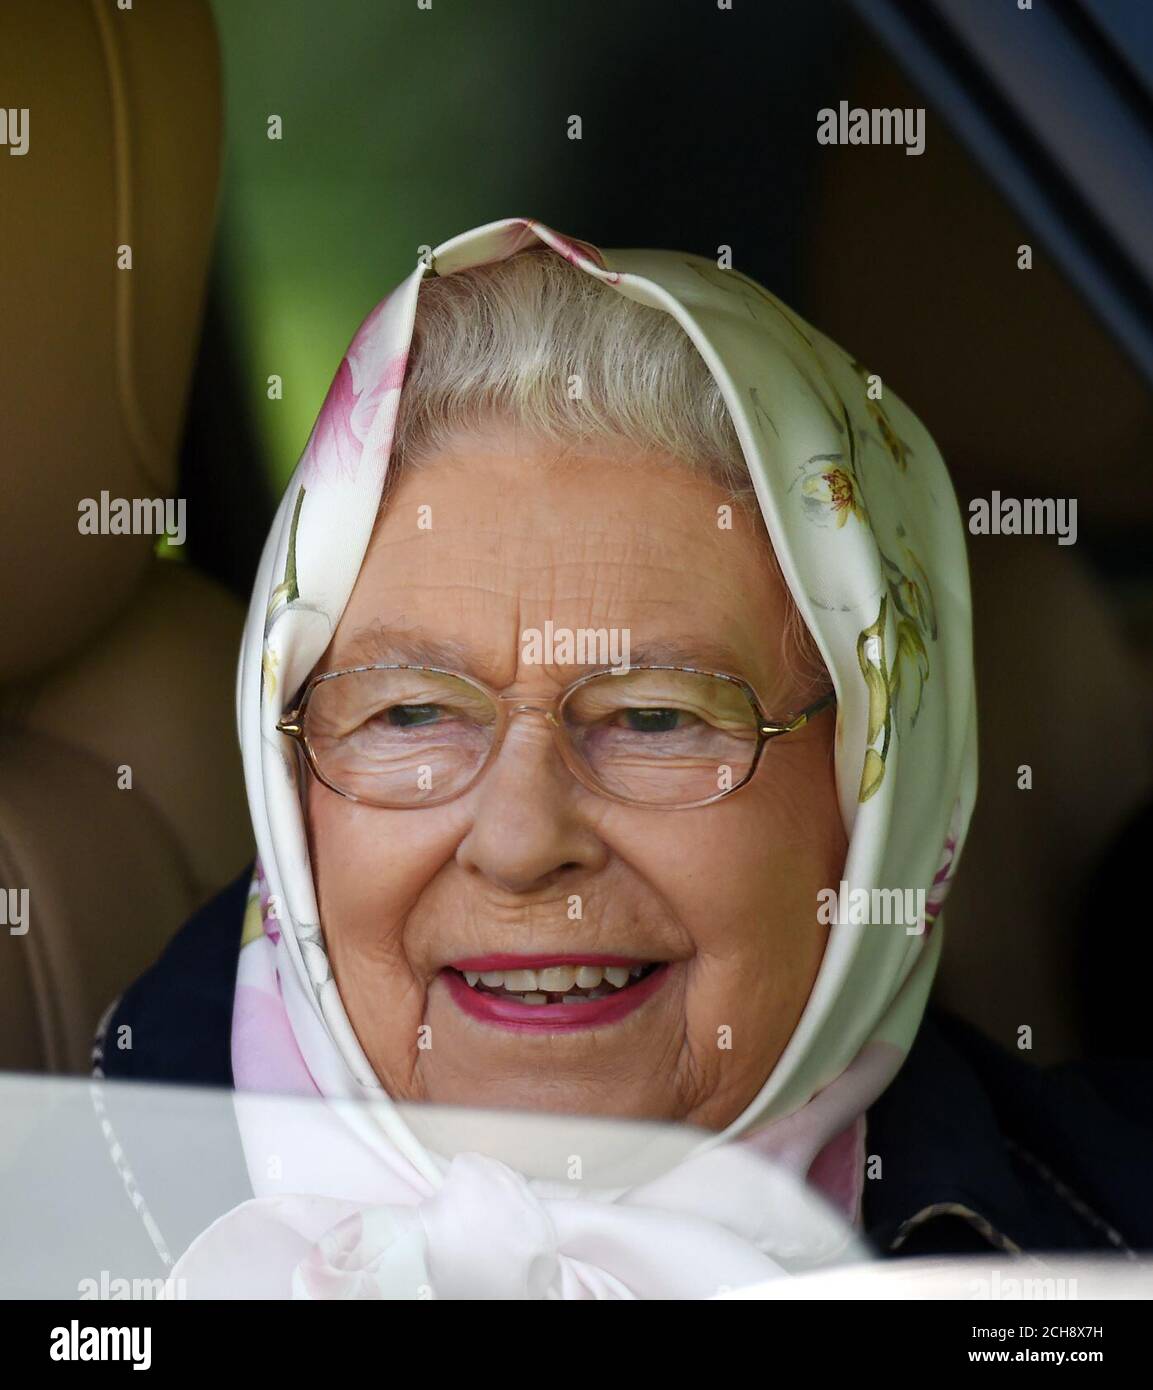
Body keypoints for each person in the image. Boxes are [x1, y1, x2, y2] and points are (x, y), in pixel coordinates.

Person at [98, 218, 1153, 1296]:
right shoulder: (52, 1228)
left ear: (877, 798)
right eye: (410, 714)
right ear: (289, 789)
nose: (518, 843)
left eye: (656, 719)